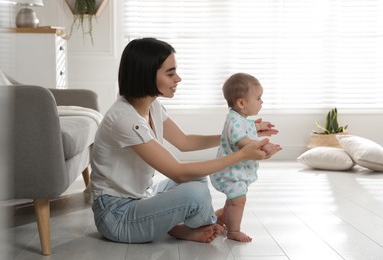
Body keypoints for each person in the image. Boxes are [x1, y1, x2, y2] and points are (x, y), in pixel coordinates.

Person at [90, 38, 281, 244]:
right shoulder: (124, 119)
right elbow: (177, 171)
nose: (178, 79)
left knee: (197, 178)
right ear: (146, 73)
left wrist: (238, 137)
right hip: (117, 217)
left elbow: (185, 142)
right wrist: (242, 154)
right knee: (194, 191)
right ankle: (209, 220)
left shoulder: (152, 107)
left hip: (142, 197)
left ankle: (180, 227)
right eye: (170, 73)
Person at [210, 73, 281, 242]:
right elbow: (244, 142)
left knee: (234, 200)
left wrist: (259, 126)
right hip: (230, 172)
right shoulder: (234, 120)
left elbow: (246, 127)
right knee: (239, 199)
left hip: (236, 172)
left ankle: (221, 218)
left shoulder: (239, 118)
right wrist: (264, 145)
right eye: (258, 98)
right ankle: (234, 231)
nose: (261, 102)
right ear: (242, 103)